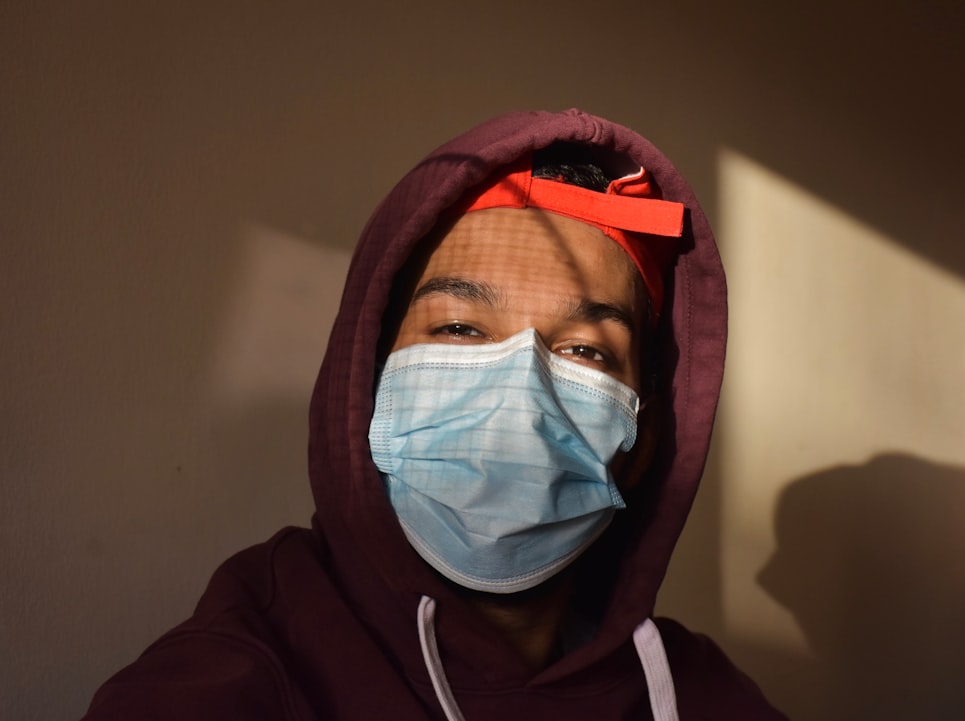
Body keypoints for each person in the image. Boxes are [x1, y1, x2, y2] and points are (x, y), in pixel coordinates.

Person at [82, 109, 787, 720]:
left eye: (585, 351)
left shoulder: (704, 694)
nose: (520, 394)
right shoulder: (243, 675)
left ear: (645, 439)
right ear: (363, 381)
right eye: (458, 328)